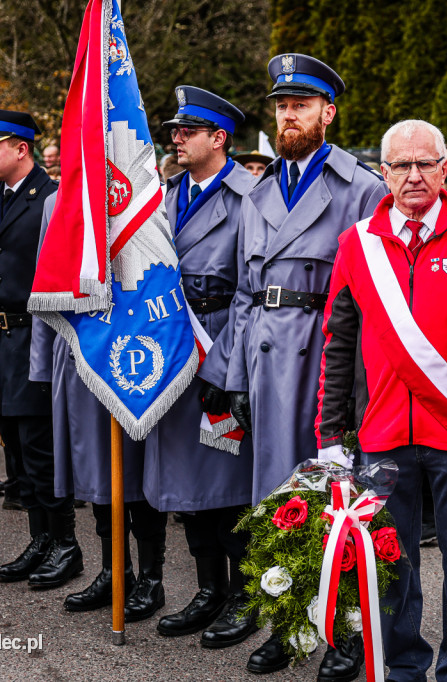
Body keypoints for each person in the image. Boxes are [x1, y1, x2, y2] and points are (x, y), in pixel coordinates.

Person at [316, 119, 447, 682]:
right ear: (383, 173)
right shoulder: (356, 244)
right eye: (400, 166)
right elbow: (339, 343)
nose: (413, 175)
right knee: (392, 565)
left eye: (425, 163)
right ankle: (403, 667)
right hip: (382, 434)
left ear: (445, 166)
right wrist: (331, 434)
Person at [224, 53, 388, 679]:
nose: (289, 115)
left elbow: (375, 299)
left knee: (336, 501)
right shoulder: (257, 190)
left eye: (301, 104)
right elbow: (243, 291)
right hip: (267, 361)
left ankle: (345, 634)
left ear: (329, 112)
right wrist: (237, 376)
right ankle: (288, 627)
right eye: (282, 105)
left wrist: (360, 388)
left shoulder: (362, 188)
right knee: (278, 502)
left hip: (327, 359)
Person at [147, 86, 260, 650]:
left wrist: (227, 369)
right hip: (172, 346)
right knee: (184, 479)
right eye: (174, 130)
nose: (176, 138)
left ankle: (243, 593)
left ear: (219, 138)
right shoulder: (163, 195)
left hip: (218, 344)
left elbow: (250, 291)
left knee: (228, 478)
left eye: (187, 131)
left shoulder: (250, 195)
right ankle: (207, 587)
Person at [26, 195, 168, 620]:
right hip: (81, 350)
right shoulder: (59, 199)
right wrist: (40, 367)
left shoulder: (143, 191)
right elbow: (46, 284)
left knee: (140, 474)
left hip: (135, 351)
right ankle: (113, 570)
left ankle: (151, 578)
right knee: (99, 476)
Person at [0, 107, 83, 589]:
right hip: (2, 338)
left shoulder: (51, 199)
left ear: (22, 148)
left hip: (38, 335)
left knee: (41, 448)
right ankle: (40, 539)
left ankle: (65, 543)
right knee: (16, 449)